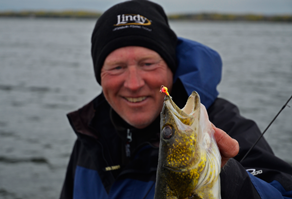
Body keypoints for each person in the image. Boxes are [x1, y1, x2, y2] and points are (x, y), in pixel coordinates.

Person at [60, 0, 292, 198]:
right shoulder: (89, 137)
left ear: (172, 67)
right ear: (99, 76)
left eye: (148, 64)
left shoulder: (225, 124)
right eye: (117, 67)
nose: (133, 83)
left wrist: (232, 179)